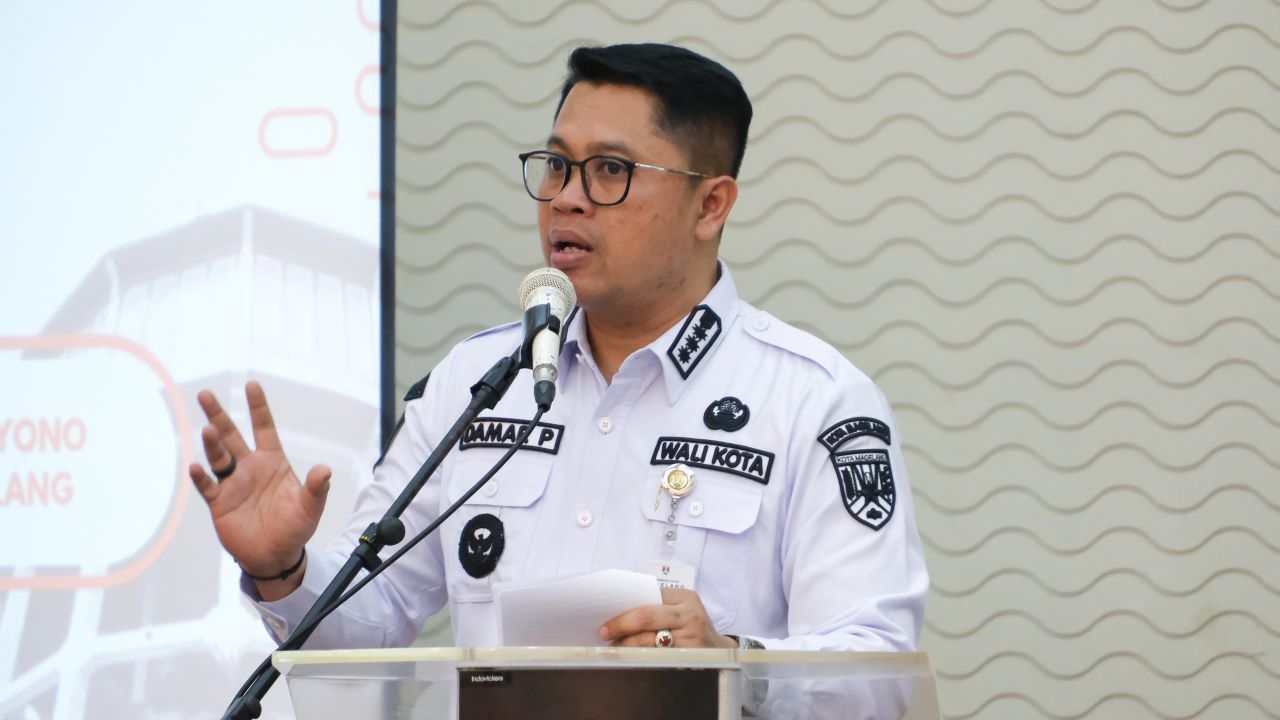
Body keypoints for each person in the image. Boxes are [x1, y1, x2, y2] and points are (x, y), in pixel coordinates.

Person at [190, 43, 927, 654]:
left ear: (711, 205)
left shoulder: (814, 401)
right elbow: (370, 620)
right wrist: (283, 570)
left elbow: (876, 662)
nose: (567, 197)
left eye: (611, 170)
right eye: (557, 164)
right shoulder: (475, 383)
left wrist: (732, 658)